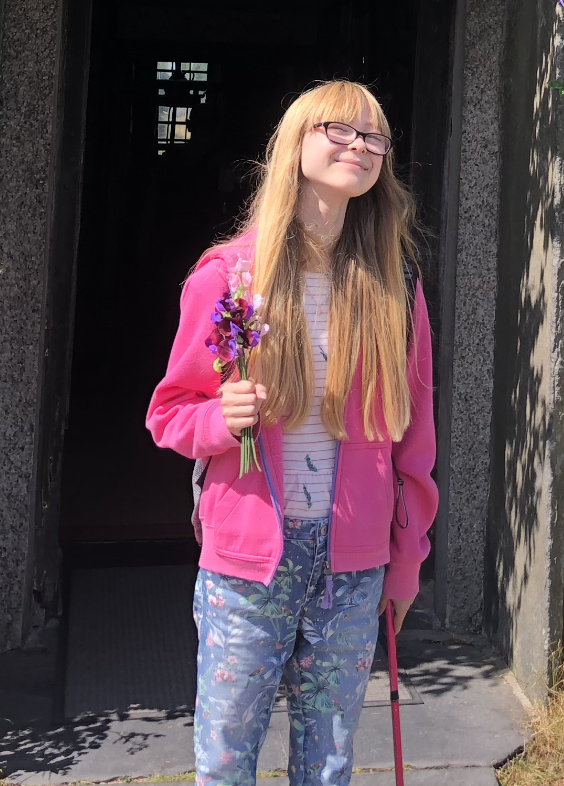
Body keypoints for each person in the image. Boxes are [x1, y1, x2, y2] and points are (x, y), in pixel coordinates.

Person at [145, 80, 438, 786]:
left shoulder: (394, 283)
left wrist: (406, 561)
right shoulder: (229, 277)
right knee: (225, 751)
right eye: (339, 129)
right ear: (295, 143)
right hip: (247, 559)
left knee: (330, 758)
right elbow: (169, 413)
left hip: (354, 560)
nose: (359, 145)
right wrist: (221, 419)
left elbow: (414, 441)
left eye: (374, 137)